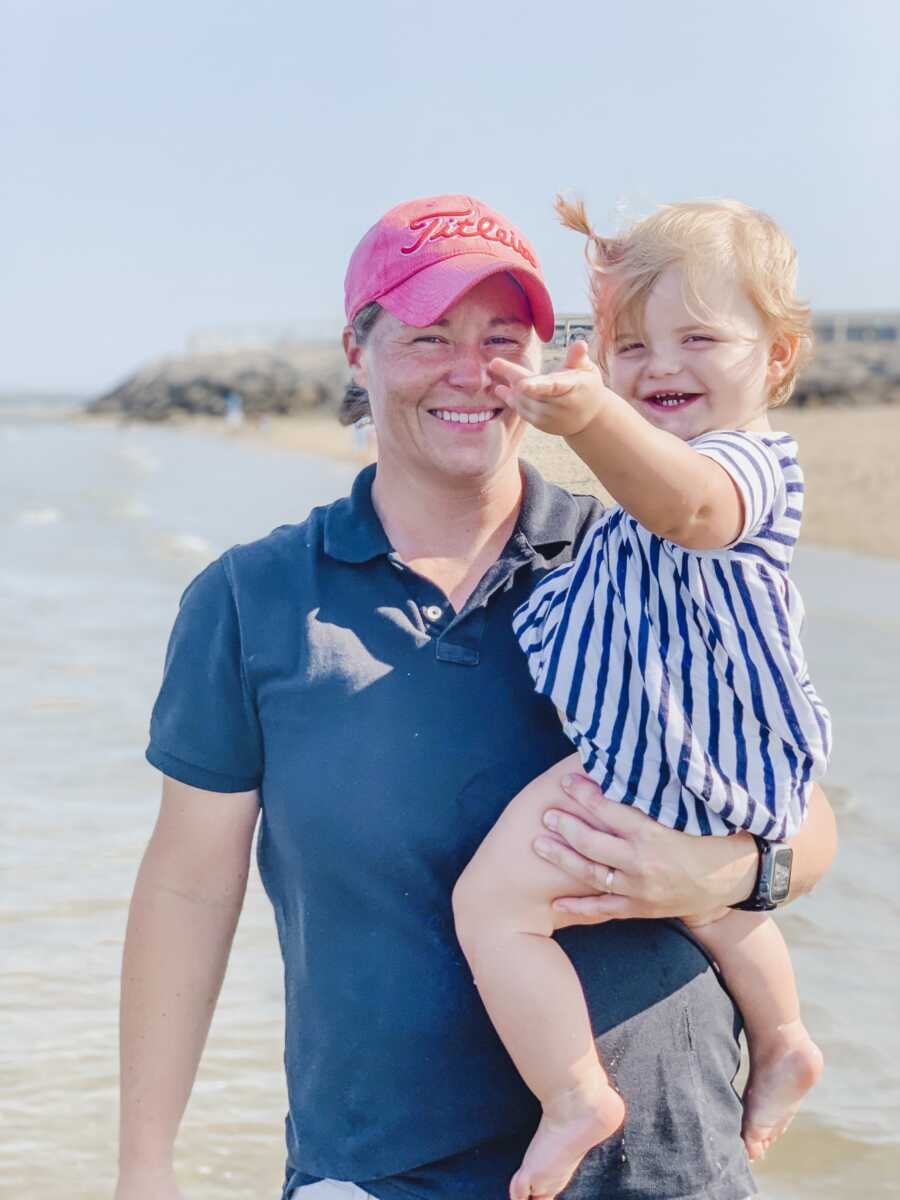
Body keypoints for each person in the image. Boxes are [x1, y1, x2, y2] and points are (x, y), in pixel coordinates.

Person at [117, 194, 837, 1200]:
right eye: (428, 337)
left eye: (503, 338)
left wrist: (709, 877)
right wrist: (144, 1169)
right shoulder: (253, 599)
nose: (471, 371)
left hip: (665, 1165)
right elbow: (189, 891)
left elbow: (798, 814)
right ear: (356, 351)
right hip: (379, 1171)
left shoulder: (637, 549)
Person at [453, 197, 830, 1200]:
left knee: (491, 906)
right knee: (704, 895)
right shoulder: (649, 490)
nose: (660, 365)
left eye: (699, 337)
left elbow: (692, 507)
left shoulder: (740, 469)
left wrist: (595, 419)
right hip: (688, 753)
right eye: (630, 345)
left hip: (675, 751)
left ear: (779, 357)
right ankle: (785, 1037)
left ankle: (576, 1092)